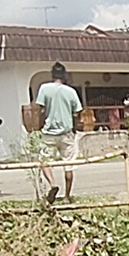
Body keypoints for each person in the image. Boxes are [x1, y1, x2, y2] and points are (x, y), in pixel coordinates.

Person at [35, 62, 83, 204]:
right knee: (68, 165)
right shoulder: (71, 91)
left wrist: (40, 126)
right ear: (64, 75)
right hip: (66, 133)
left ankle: (53, 184)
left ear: (52, 75)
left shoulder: (44, 89)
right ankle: (67, 196)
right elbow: (77, 112)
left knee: (44, 161)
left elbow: (41, 111)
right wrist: (74, 127)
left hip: (49, 132)